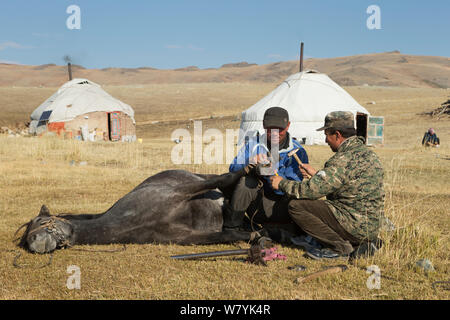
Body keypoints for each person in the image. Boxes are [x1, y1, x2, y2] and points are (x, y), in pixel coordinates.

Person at [270, 111, 385, 260]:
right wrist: (317, 174)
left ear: (337, 135)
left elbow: (310, 191)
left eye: (327, 135)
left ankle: (339, 247)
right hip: (371, 226)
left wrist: (281, 184)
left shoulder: (341, 160)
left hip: (354, 225)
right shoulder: (368, 155)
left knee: (296, 206)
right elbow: (347, 183)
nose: (326, 140)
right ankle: (363, 243)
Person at [223, 107, 309, 232]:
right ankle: (232, 228)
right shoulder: (253, 144)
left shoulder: (298, 152)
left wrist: (273, 175)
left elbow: (293, 189)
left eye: (280, 129)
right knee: (246, 183)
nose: (275, 133)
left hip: (285, 209)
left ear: (288, 126)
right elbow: (233, 169)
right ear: (263, 125)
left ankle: (284, 227)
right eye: (270, 129)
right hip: (257, 206)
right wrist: (249, 163)